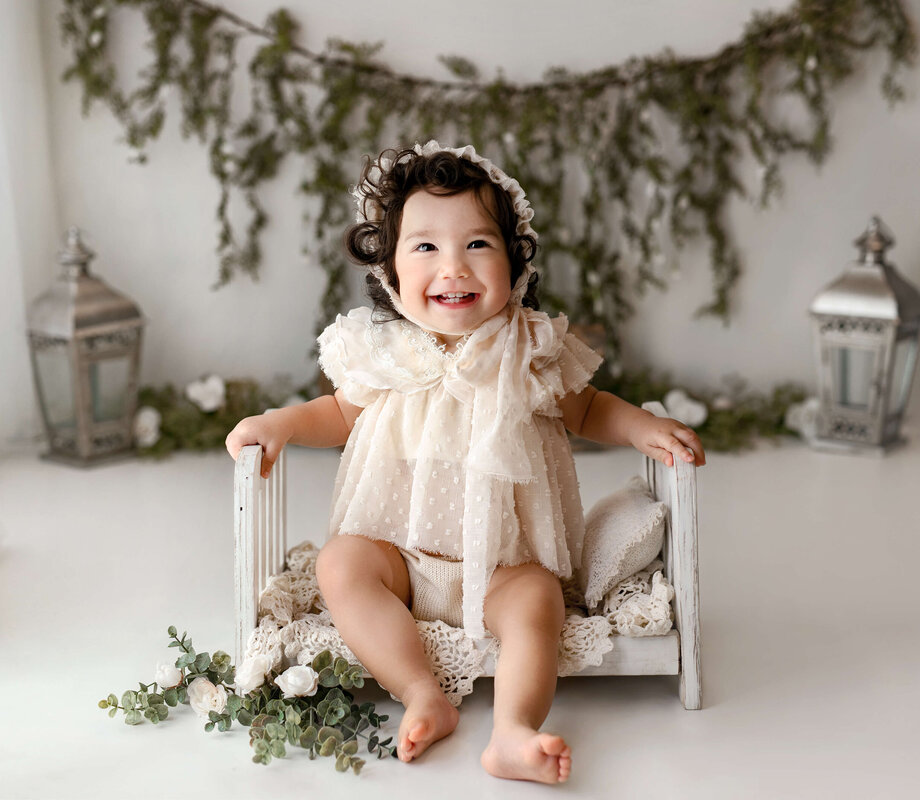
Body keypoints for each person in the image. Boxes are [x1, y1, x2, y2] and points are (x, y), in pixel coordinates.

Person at [225, 141, 706, 784]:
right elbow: (338, 413)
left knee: (539, 601)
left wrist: (642, 425)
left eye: (478, 245)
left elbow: (586, 409)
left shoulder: (529, 347)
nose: (453, 267)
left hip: (504, 568)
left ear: (515, 262)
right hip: (399, 560)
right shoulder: (383, 351)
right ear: (391, 269)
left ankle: (513, 730)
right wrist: (280, 425)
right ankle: (421, 691)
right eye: (426, 247)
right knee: (341, 562)